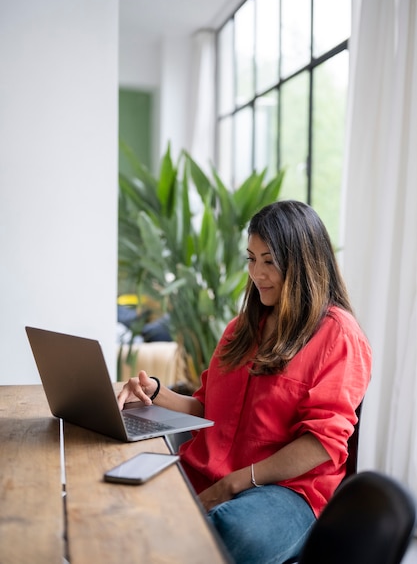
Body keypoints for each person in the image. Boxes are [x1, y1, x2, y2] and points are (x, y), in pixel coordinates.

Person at [118, 200, 372, 564]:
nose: (257, 273)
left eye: (270, 261)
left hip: (287, 491)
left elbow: (321, 444)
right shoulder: (240, 330)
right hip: (208, 473)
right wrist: (156, 393)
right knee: (127, 501)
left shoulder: (338, 336)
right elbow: (208, 409)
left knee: (229, 532)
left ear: (303, 263)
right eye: (251, 259)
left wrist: (233, 483)